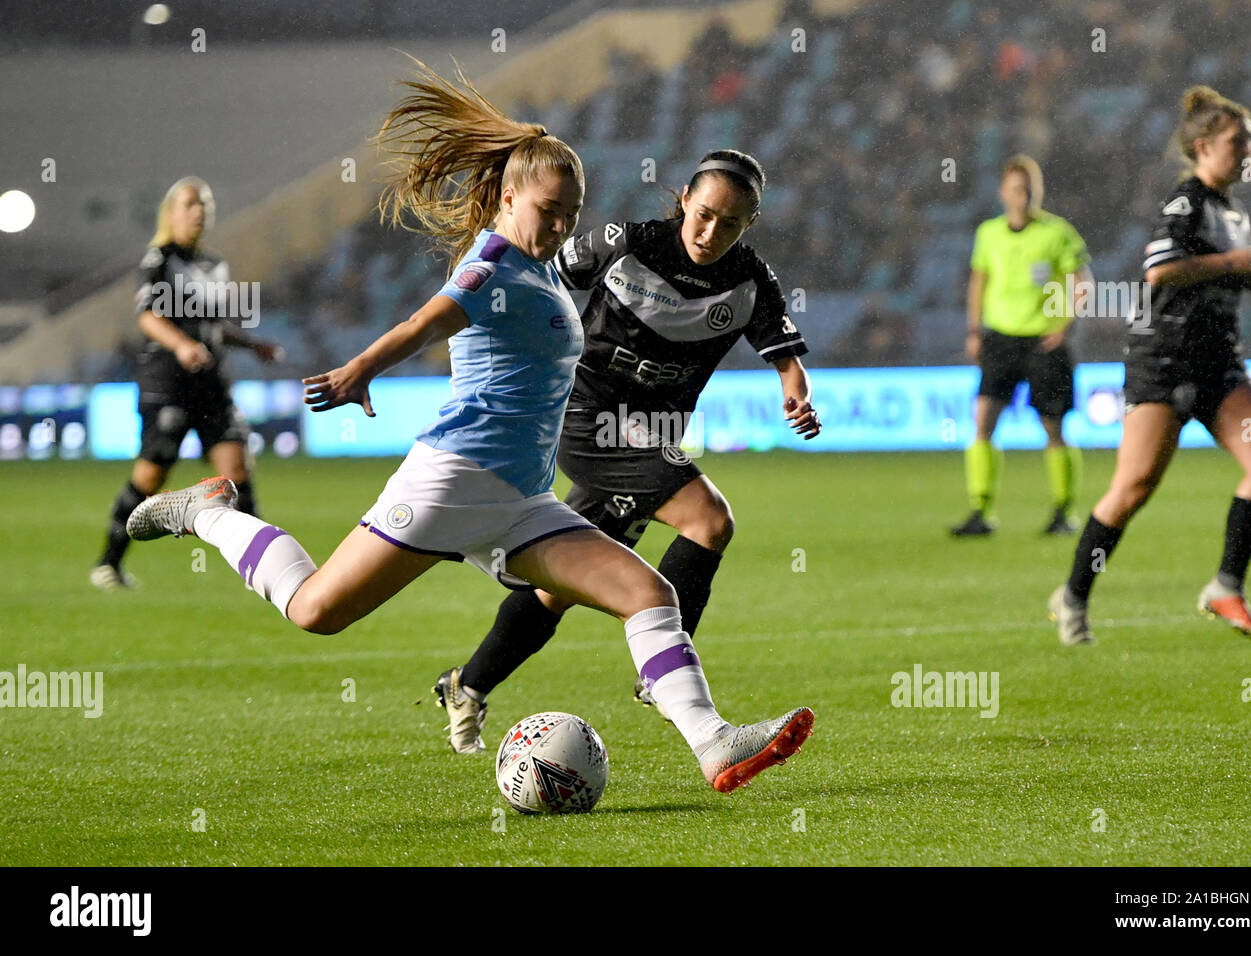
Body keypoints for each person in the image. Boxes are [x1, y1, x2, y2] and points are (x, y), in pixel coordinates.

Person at [125, 63, 814, 793]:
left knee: (651, 595)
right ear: (509, 197)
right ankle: (210, 514)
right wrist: (363, 368)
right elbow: (432, 318)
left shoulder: (548, 270)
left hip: (522, 499)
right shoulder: (492, 258)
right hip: (453, 480)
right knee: (316, 609)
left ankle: (714, 744)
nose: (559, 226)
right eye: (547, 210)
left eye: (570, 215)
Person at [433, 149, 821, 754]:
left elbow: (785, 357)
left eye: (730, 223)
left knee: (560, 582)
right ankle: (664, 677)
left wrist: (796, 395)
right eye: (703, 214)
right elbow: (539, 275)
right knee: (709, 519)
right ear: (684, 202)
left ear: (750, 224)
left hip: (652, 436)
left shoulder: (751, 280)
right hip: (589, 419)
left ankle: (467, 683)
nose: (710, 232)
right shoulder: (627, 243)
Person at [1050, 86, 1251, 645]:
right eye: (1237, 142)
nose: (1247, 152)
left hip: (1219, 364)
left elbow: (1208, 274)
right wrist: (1233, 262)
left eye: (1250, 142)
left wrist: (1246, 276)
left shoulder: (1232, 211)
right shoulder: (1188, 201)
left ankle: (1227, 585)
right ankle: (1075, 596)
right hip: (1164, 362)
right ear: (1203, 147)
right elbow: (1160, 269)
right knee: (1132, 488)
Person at [91, 177, 282, 590]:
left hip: (211, 383)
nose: (200, 211)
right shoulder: (157, 260)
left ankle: (260, 568)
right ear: (172, 212)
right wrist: (180, 345)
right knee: (151, 476)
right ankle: (108, 562)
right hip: (168, 385)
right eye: (191, 203)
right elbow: (147, 316)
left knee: (236, 470)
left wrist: (252, 344)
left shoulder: (214, 264)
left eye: (206, 205)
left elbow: (212, 327)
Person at [951, 155, 1094, 537]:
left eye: (1028, 190)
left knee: (1053, 426)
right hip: (1000, 338)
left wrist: (1064, 324)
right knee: (983, 420)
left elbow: (1082, 282)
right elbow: (979, 281)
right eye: (1015, 189)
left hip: (1043, 341)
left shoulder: (1057, 232)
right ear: (1003, 193)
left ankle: (1064, 511)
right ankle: (981, 510)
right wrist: (973, 329)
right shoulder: (989, 234)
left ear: (1037, 192)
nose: (1021, 197)